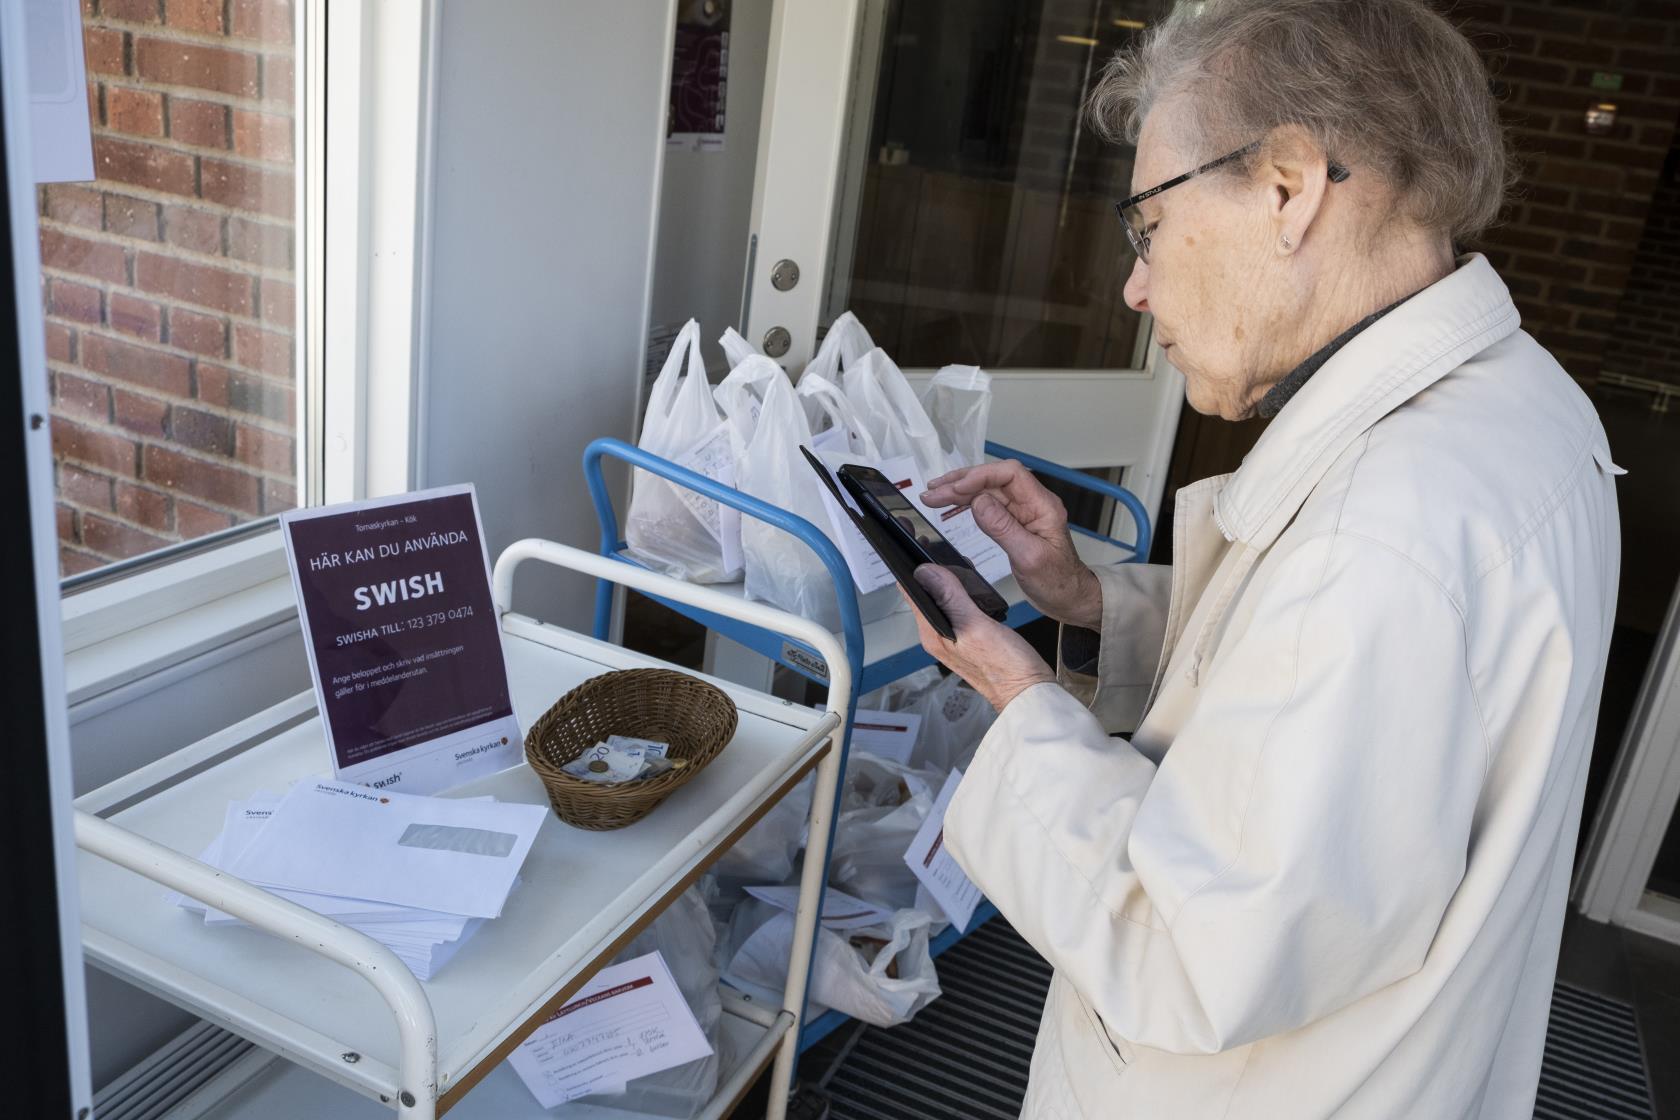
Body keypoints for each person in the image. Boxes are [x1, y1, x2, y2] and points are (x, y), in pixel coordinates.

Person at [907, 1, 1624, 1116]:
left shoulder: (1380, 534)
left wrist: (1020, 695)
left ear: (1289, 187)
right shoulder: (1531, 405)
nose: (1136, 286)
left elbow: (1188, 952)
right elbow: (1308, 690)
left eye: (1146, 223)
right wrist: (1093, 598)